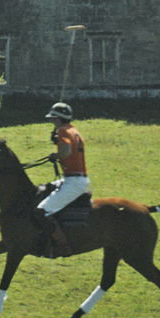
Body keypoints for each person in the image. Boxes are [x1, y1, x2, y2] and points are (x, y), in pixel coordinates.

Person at [34, 102, 90, 256]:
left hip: (74, 182)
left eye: (53, 119)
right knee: (42, 191)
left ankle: (62, 245)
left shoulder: (64, 132)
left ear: (59, 119)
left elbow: (66, 151)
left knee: (42, 211)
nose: (51, 121)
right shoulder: (72, 129)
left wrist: (55, 155)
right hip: (73, 179)